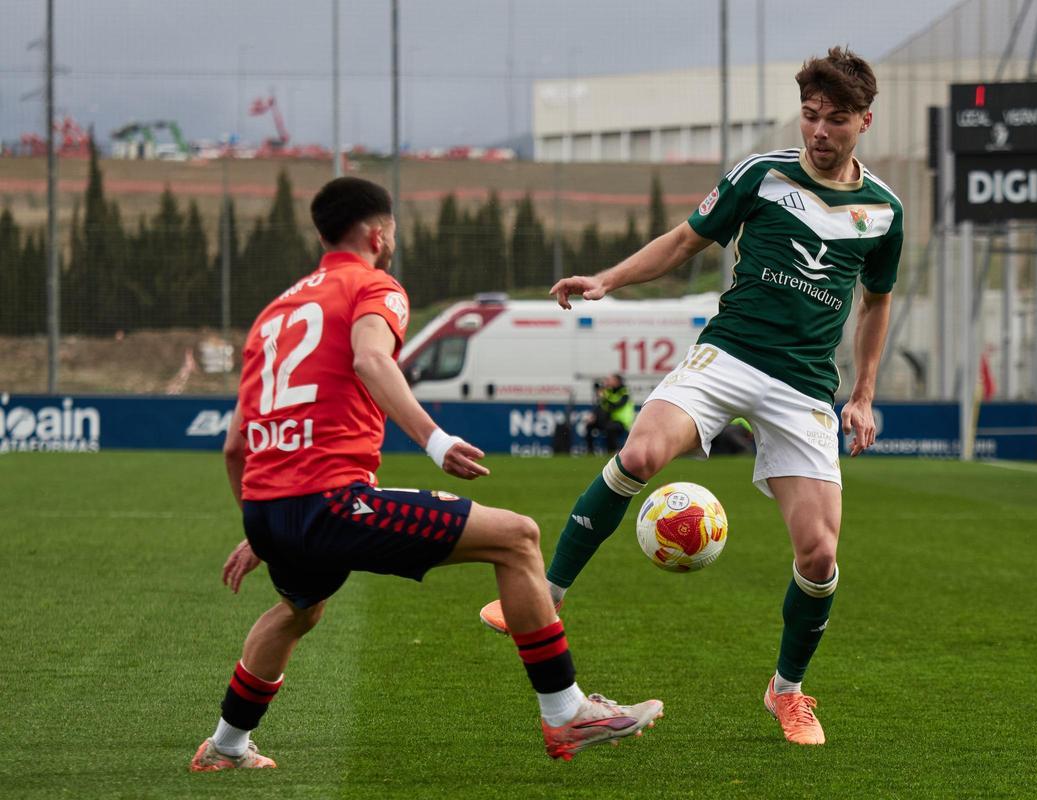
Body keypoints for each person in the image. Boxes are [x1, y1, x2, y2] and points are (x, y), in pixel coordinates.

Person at [480, 47, 903, 746]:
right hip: (728, 355)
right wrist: (607, 281)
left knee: (820, 556)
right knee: (641, 451)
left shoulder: (882, 211)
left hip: (804, 388)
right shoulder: (761, 176)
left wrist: (861, 395)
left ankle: (787, 692)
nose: (819, 131)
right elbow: (684, 240)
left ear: (864, 120)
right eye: (810, 115)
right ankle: (546, 595)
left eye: (835, 120)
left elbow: (877, 302)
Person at [189, 177, 662, 772]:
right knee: (518, 539)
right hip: (333, 502)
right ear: (378, 233)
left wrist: (261, 526)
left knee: (300, 609)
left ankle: (226, 747)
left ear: (320, 234)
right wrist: (434, 441)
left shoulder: (272, 315)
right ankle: (565, 713)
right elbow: (369, 357)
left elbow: (236, 445)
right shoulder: (374, 286)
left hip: (268, 506)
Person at [585, 374, 634, 454]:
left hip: (622, 421)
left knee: (610, 429)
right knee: (589, 425)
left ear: (617, 381)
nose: (608, 382)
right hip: (609, 420)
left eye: (610, 380)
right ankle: (590, 451)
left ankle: (612, 451)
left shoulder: (624, 392)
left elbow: (616, 405)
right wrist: (594, 415)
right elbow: (602, 405)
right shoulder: (609, 391)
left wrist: (605, 397)